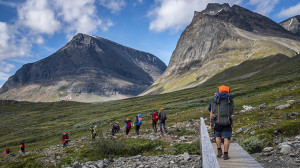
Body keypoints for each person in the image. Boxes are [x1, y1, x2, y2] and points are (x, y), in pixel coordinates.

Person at [210, 85, 234, 160]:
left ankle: (219, 150)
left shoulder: (215, 99)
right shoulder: (230, 99)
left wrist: (211, 122)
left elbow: (211, 112)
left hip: (217, 121)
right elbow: (232, 111)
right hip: (227, 121)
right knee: (226, 138)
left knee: (217, 136)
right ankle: (225, 155)